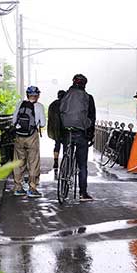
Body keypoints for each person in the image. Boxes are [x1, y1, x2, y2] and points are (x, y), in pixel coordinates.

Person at [59, 74, 96, 202]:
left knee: (67, 155)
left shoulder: (65, 95)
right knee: (82, 165)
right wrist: (90, 135)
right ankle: (83, 193)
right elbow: (92, 117)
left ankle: (63, 184)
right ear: (84, 84)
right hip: (81, 133)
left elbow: (60, 112)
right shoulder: (88, 98)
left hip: (67, 132)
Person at [12, 85, 46, 198]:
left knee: (18, 162)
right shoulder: (39, 107)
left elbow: (13, 121)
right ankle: (32, 188)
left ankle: (18, 188)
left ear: (27, 95)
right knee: (33, 162)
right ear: (38, 96)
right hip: (32, 136)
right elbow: (42, 124)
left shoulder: (20, 104)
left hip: (19, 136)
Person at [47, 90, 67, 169]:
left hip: (56, 130)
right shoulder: (66, 105)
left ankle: (56, 161)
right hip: (65, 129)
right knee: (66, 146)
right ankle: (65, 162)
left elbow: (50, 118)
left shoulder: (53, 104)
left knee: (57, 145)